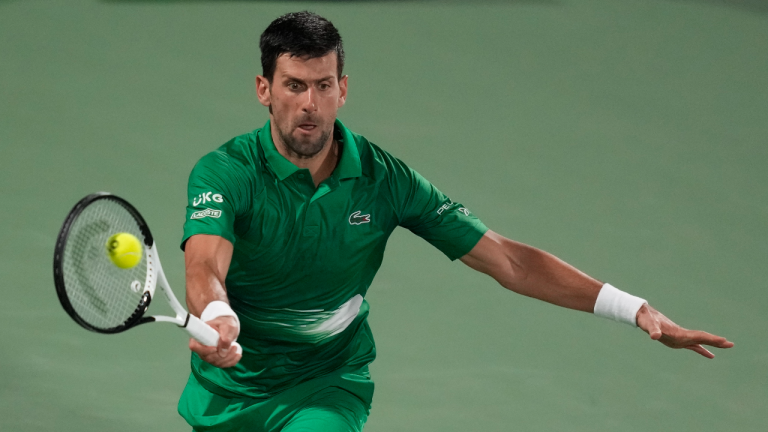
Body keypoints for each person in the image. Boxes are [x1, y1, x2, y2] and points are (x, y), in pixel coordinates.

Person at [177, 11, 733, 432]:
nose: (310, 103)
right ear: (263, 89)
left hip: (326, 380)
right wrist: (218, 312)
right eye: (295, 85)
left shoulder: (385, 180)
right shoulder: (226, 173)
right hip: (233, 385)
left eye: (324, 85)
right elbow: (204, 262)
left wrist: (633, 307)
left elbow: (509, 261)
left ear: (343, 89)